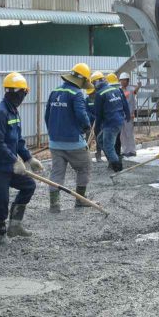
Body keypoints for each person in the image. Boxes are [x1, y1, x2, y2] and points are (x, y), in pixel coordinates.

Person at [0, 72, 44, 245]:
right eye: (24, 93)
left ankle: (15, 225)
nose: (24, 97)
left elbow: (18, 141)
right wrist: (14, 161)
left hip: (7, 164)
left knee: (28, 185)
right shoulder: (0, 113)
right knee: (2, 199)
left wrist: (29, 159)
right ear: (18, 92)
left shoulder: (13, 112)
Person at [44, 63, 95, 213]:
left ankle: (54, 205)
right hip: (74, 142)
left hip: (55, 143)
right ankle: (80, 200)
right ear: (82, 80)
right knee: (84, 167)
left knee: (57, 173)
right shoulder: (76, 93)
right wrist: (86, 128)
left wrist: (53, 134)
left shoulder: (54, 92)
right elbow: (81, 114)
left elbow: (47, 116)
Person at [93, 72, 129, 172]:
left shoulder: (100, 94)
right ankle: (112, 159)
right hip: (118, 121)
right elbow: (124, 104)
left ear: (96, 82)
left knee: (109, 146)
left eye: (93, 83)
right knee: (101, 140)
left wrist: (96, 129)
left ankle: (117, 167)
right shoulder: (116, 90)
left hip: (110, 124)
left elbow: (98, 115)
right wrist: (127, 115)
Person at [118, 72, 140, 157]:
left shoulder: (131, 89)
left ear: (127, 81)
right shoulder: (119, 90)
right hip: (120, 116)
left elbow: (135, 91)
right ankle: (125, 150)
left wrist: (139, 86)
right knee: (122, 134)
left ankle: (132, 151)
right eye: (121, 80)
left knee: (129, 133)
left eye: (124, 80)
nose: (123, 82)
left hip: (129, 116)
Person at [88, 71, 105, 162]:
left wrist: (98, 117)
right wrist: (92, 117)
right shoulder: (86, 100)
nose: (91, 95)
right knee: (89, 139)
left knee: (99, 139)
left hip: (99, 122)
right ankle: (86, 156)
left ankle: (98, 155)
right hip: (90, 123)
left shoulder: (99, 97)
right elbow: (86, 111)